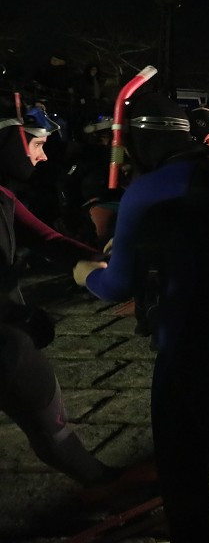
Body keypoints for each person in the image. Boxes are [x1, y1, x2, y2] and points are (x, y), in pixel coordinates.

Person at [76, 93, 209, 542]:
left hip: (190, 330)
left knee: (180, 451)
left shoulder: (151, 188)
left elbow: (117, 284)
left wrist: (86, 275)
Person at [0, 103, 114, 486]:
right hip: (7, 337)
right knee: (47, 421)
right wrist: (20, 317)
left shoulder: (3, 196)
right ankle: (104, 486)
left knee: (48, 422)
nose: (44, 155)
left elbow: (46, 237)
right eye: (37, 145)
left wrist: (98, 256)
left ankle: (101, 483)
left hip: (10, 332)